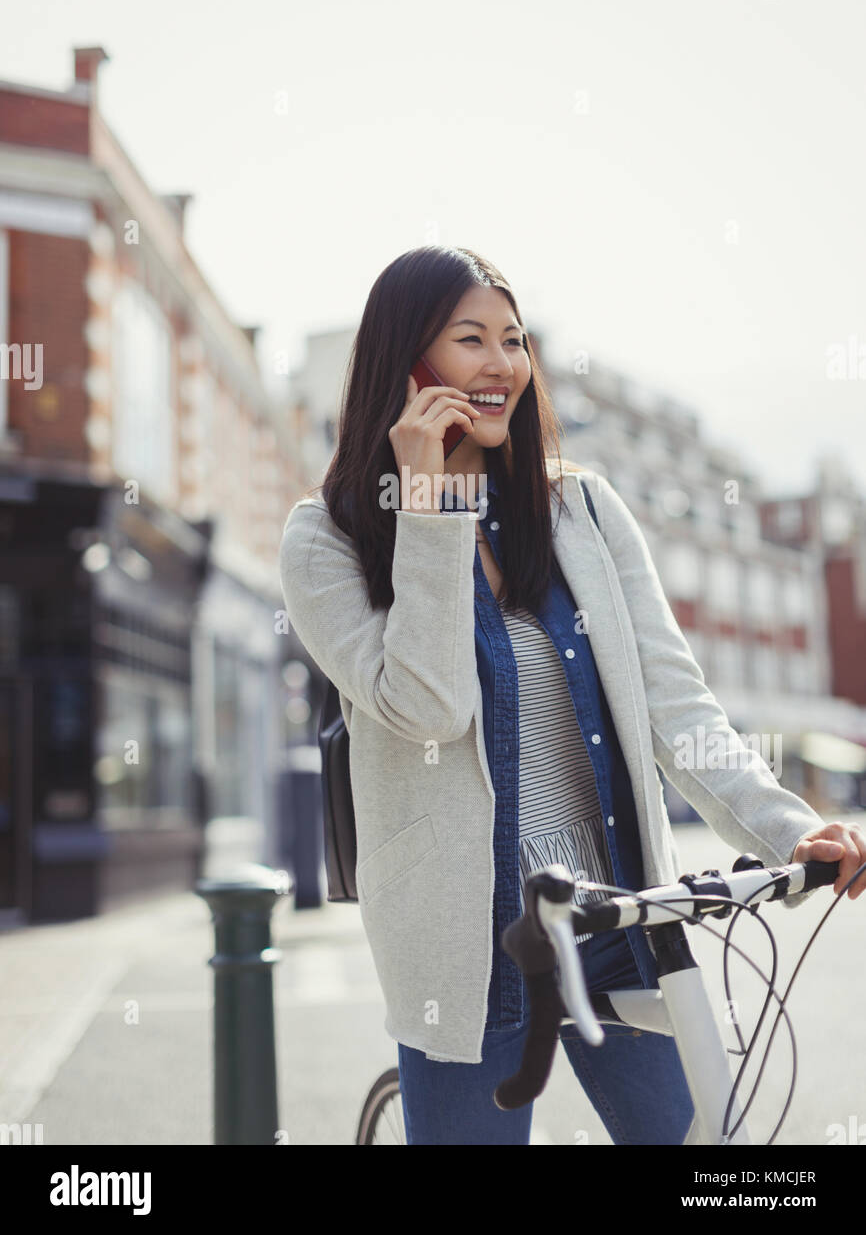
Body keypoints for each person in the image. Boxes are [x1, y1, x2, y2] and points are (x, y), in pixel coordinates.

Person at [278, 245, 866, 1145]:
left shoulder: (580, 511)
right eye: (469, 338)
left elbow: (678, 706)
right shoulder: (327, 539)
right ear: (407, 360)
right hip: (464, 951)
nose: (501, 364)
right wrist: (429, 512)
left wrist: (789, 830)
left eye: (512, 340)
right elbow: (431, 708)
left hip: (616, 921)